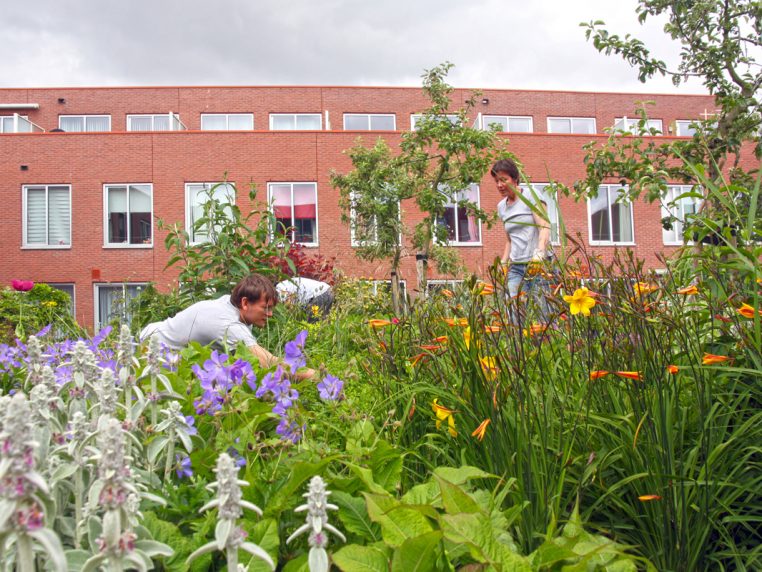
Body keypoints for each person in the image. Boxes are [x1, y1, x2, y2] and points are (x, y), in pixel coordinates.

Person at [140, 273, 315, 380]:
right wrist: (315, 376)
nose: (270, 314)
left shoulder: (231, 306)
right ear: (245, 303)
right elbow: (268, 364)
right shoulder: (228, 325)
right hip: (150, 350)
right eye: (265, 308)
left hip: (164, 347)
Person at [492, 159, 552, 301]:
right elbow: (509, 240)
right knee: (514, 311)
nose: (500, 185)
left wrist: (539, 254)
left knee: (542, 312)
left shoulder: (531, 195)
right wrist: (504, 261)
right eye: (496, 181)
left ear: (515, 179)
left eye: (503, 180)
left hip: (538, 265)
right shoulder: (501, 207)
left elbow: (544, 226)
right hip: (516, 267)